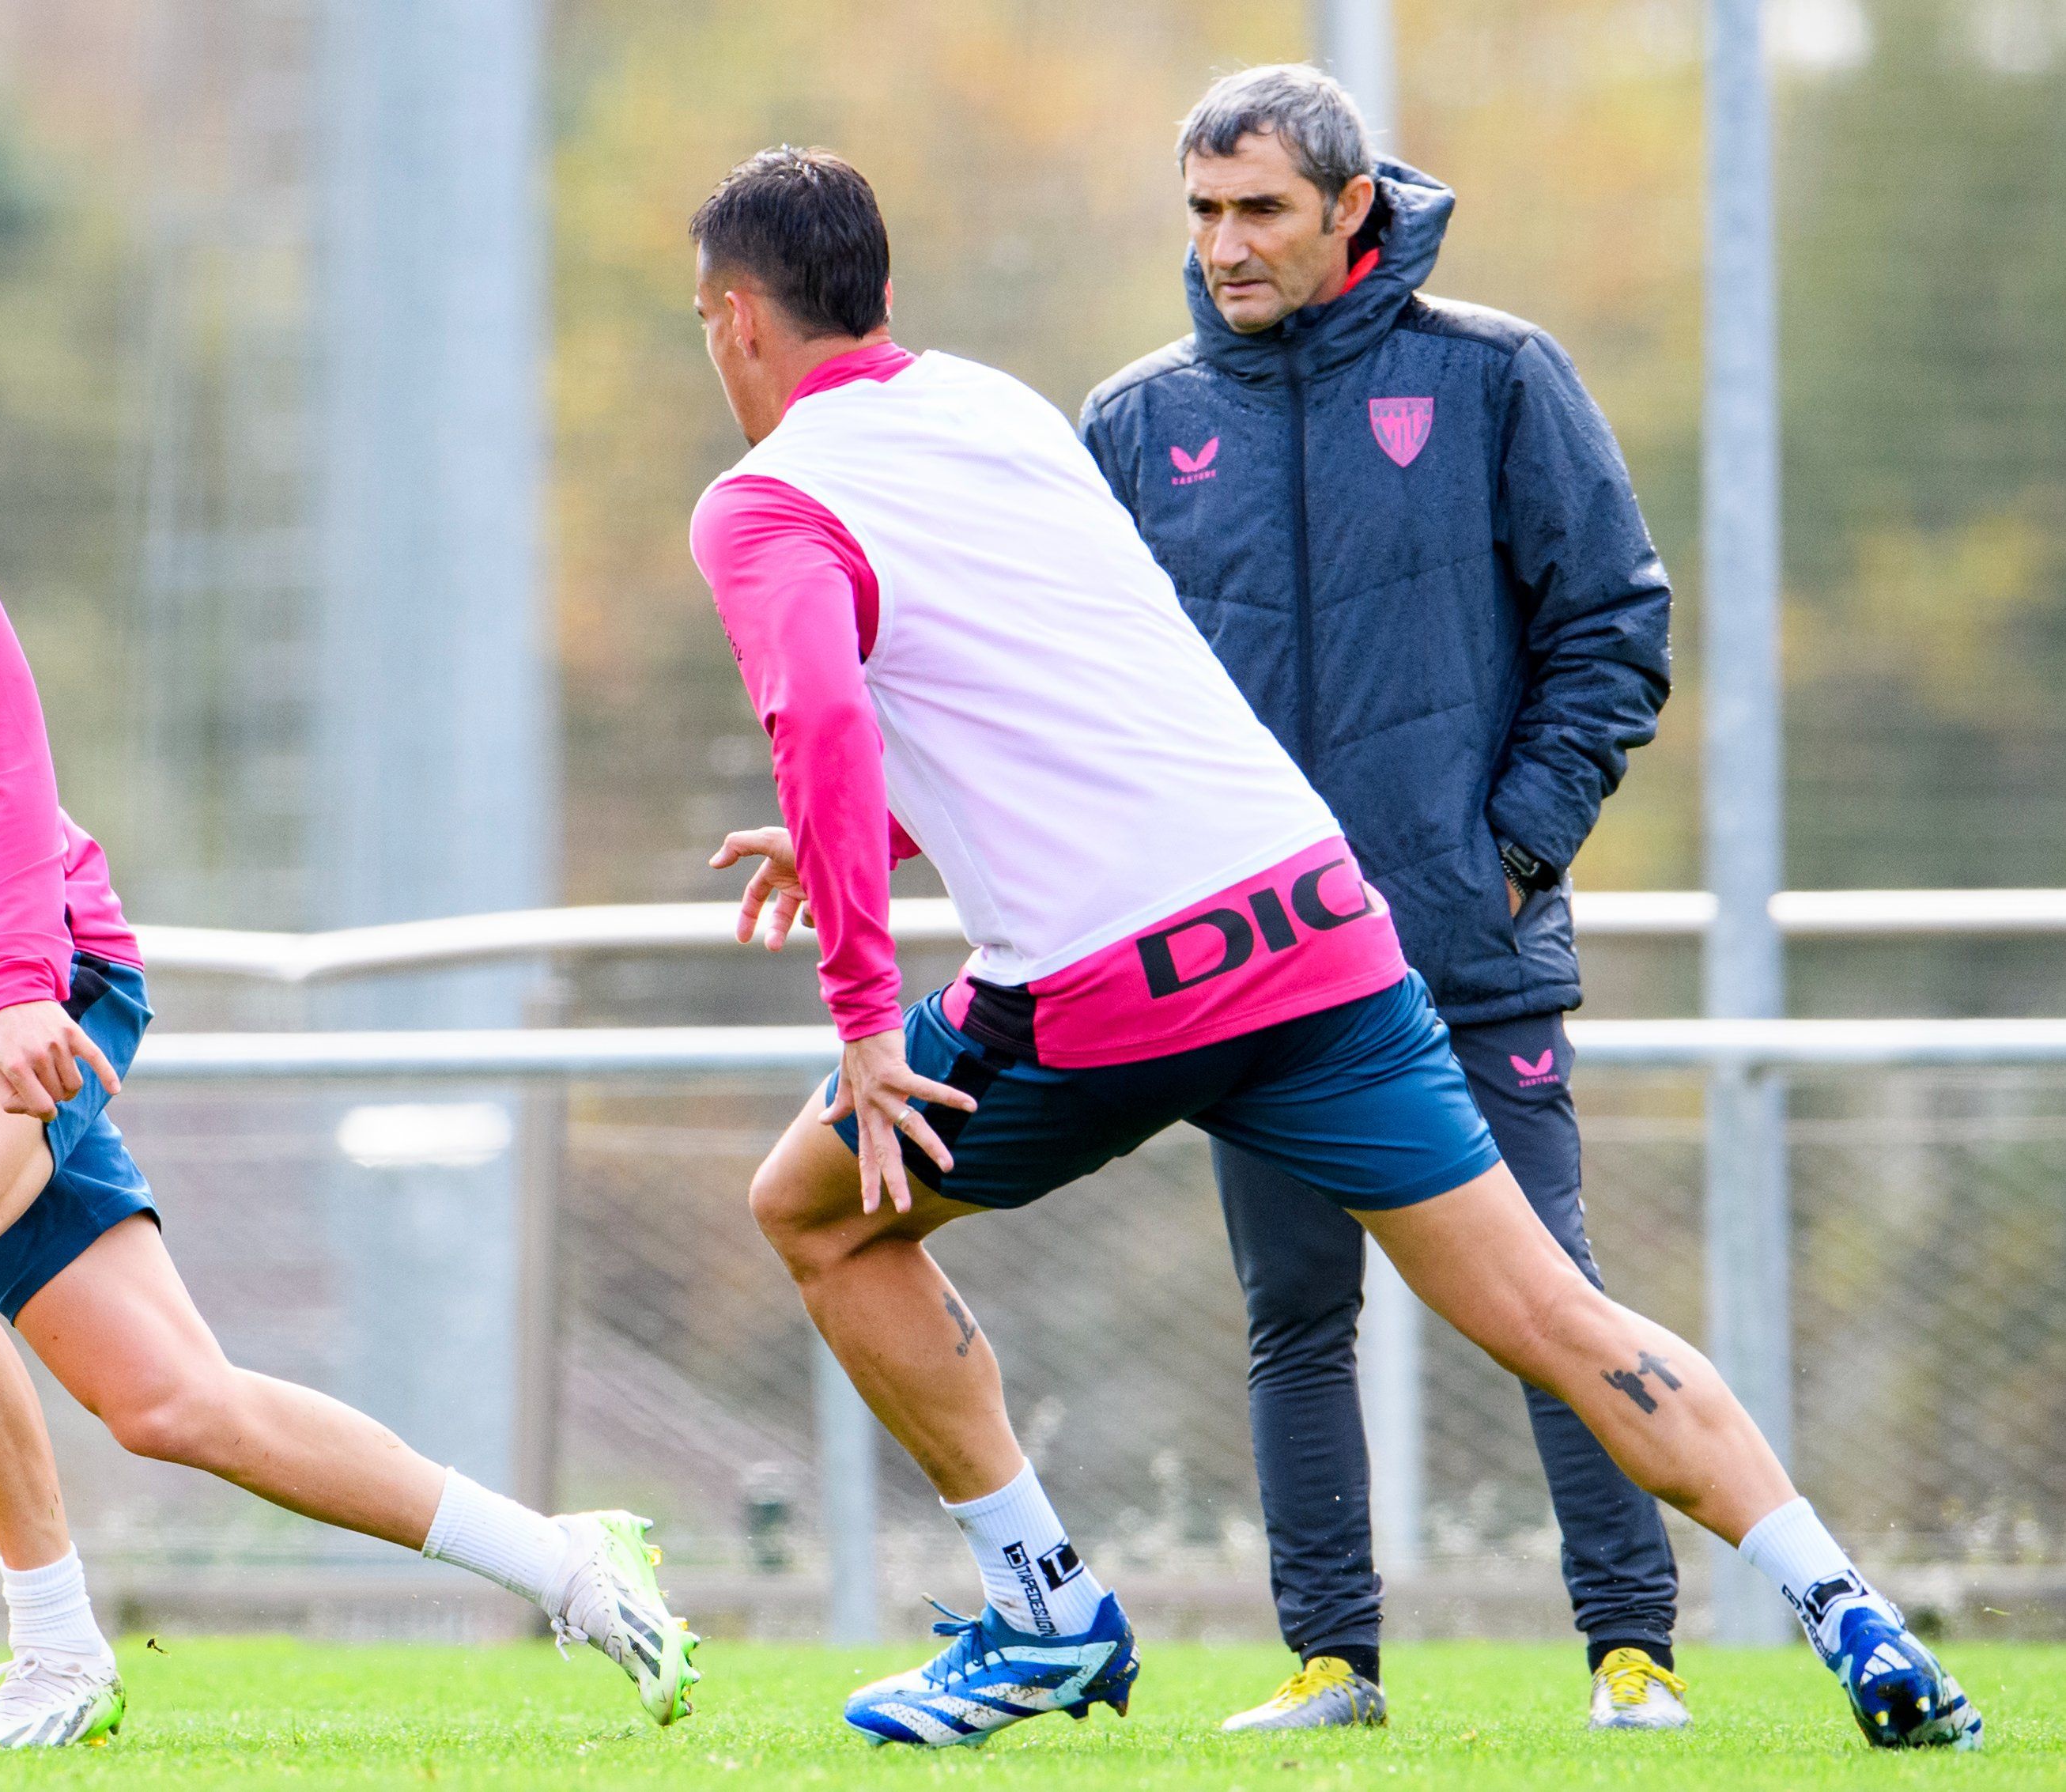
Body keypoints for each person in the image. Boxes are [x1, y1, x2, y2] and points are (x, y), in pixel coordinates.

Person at [678, 146, 1977, 1753]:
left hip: (1111, 975)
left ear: (738, 321)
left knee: (814, 1206)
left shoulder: (764, 500)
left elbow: (819, 716)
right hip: (1317, 920)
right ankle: (1853, 1614)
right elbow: (1079, 698)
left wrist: (867, 1016)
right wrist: (863, 841)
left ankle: (1044, 1611)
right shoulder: (1002, 411)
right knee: (1555, 1311)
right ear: (879, 296)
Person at [0, 181, 696, 1749]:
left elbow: (12, 785)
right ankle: (563, 1557)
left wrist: (22, 982)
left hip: (30, 963)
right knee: (176, 1400)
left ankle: (56, 1654)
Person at [1076, 64, 1683, 1733]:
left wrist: (1504, 853)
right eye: (1201, 211)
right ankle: (1332, 1663)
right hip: (1254, 975)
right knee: (1293, 1317)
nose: (1223, 245)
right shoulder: (1133, 425)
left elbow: (1614, 625)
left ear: (1353, 210)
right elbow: (1072, 692)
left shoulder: (1492, 377)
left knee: (1551, 1302)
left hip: (1461, 955)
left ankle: (1632, 1655)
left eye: (1258, 208)